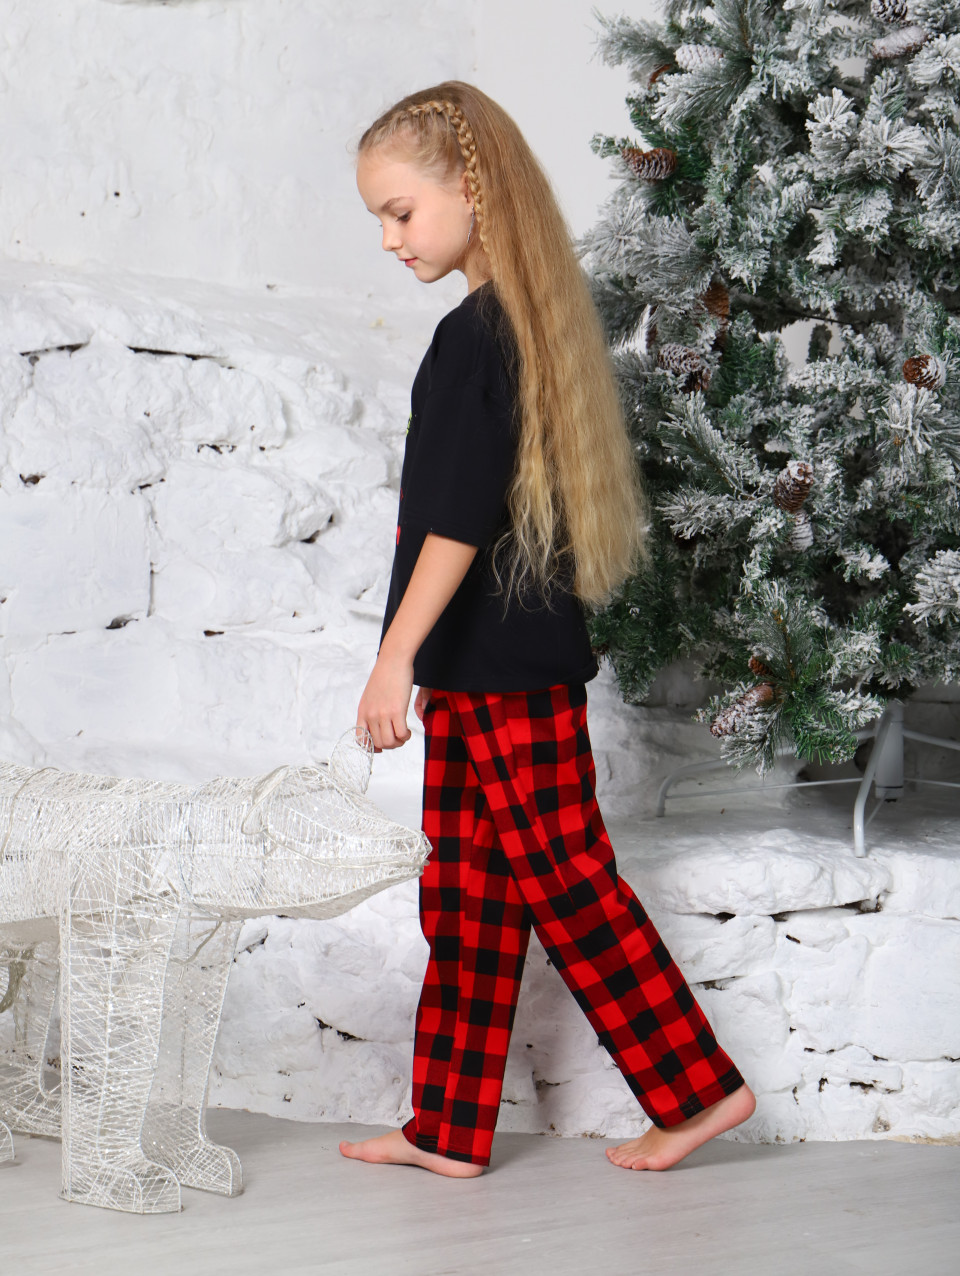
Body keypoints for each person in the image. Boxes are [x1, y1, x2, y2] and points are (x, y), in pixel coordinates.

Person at [341, 82, 755, 1179]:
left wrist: (393, 658)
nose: (389, 239)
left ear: (472, 190)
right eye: (379, 218)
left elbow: (455, 520)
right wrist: (425, 659)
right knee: (468, 899)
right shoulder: (514, 323)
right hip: (481, 668)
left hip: (504, 670)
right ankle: (448, 1126)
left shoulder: (480, 336)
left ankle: (699, 1090)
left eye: (401, 212)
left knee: (567, 882)